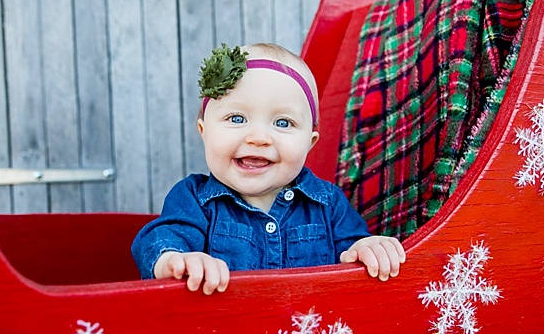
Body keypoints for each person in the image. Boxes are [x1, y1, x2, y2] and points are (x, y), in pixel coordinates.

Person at [131, 42, 404, 294]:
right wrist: (174, 260)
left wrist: (366, 248)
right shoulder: (193, 199)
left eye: (283, 123)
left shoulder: (327, 204)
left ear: (309, 143)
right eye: (236, 118)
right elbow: (162, 239)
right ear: (204, 132)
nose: (258, 137)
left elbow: (351, 249)